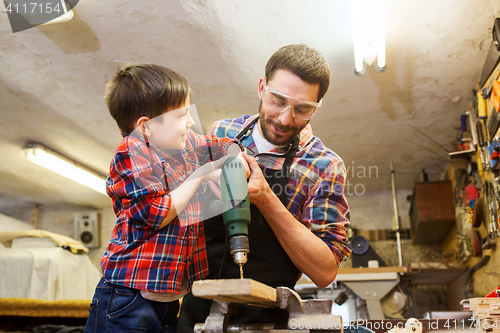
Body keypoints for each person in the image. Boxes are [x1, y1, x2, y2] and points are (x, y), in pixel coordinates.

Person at [178, 44, 352, 330]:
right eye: (278, 100)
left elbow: (324, 271)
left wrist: (267, 200)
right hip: (199, 309)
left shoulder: (325, 166)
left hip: (269, 316)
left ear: (317, 108)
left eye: (303, 109)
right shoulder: (222, 133)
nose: (285, 118)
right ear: (262, 87)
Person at [84, 63, 244, 333]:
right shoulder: (131, 151)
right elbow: (158, 213)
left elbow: (221, 145)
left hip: (167, 298)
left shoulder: (187, 146)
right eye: (181, 115)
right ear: (145, 127)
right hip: (128, 297)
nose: (190, 122)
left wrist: (236, 157)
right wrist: (203, 174)